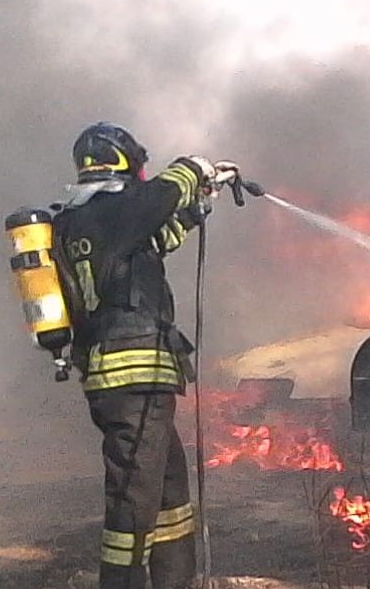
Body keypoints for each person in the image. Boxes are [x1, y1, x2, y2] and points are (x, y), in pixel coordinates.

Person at [52, 122, 236, 589]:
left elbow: (152, 239)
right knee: (132, 505)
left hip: (133, 388)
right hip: (132, 383)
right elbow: (157, 199)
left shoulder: (85, 221)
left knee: (168, 496)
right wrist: (195, 167)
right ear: (126, 164)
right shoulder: (112, 210)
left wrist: (200, 204)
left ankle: (175, 580)